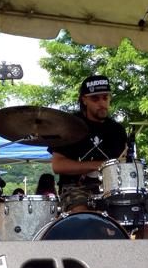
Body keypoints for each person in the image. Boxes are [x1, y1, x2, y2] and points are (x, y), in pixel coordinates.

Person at [50, 75, 127, 213]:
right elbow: (58, 165)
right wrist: (98, 165)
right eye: (95, 99)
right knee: (83, 215)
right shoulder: (69, 125)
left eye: (105, 98)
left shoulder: (117, 130)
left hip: (110, 188)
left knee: (141, 211)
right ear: (84, 100)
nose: (102, 103)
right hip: (74, 188)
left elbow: (123, 163)